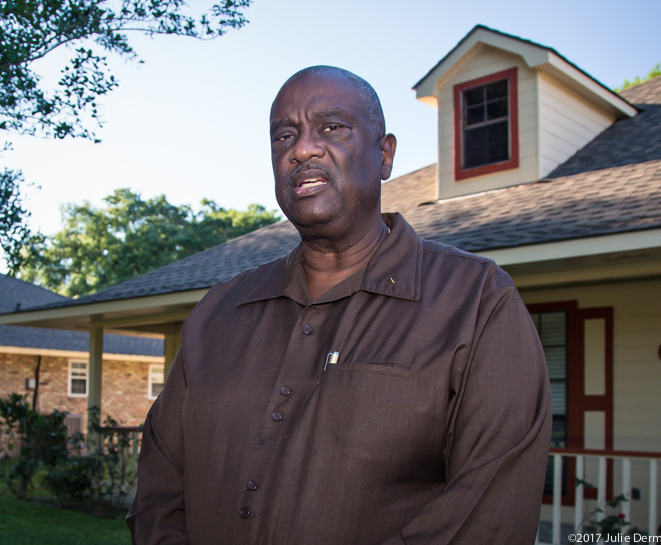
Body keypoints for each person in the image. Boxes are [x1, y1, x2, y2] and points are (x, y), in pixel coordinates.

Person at [127, 66, 551, 545]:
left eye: (331, 127)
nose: (302, 149)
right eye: (284, 135)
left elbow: (488, 511)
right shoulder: (220, 311)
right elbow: (159, 487)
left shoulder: (475, 301)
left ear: (385, 154)